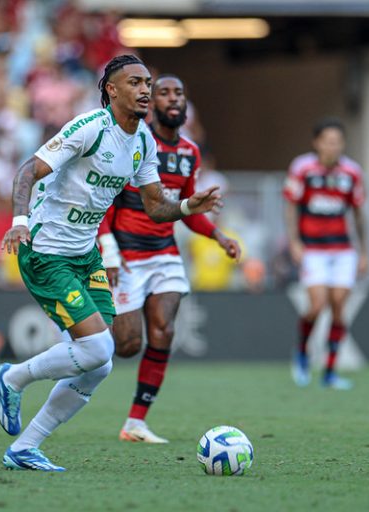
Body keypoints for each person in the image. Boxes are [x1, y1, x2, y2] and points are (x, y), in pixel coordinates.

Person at [0, 55, 222, 472]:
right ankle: (13, 378)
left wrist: (190, 204)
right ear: (112, 90)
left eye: (147, 83)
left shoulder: (143, 143)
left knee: (101, 362)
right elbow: (29, 170)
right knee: (98, 347)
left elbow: (155, 206)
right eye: (134, 82)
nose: (144, 90)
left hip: (85, 255)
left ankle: (25, 447)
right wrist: (19, 221)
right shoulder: (89, 129)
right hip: (46, 250)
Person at [97, 75, 241, 444]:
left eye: (179, 93)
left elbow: (186, 209)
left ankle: (135, 423)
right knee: (127, 345)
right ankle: (75, 339)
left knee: (163, 331)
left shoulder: (190, 153)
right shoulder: (134, 143)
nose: (173, 99)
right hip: (126, 256)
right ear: (151, 101)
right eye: (164, 92)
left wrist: (218, 235)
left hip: (164, 255)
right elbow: (105, 203)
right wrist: (109, 251)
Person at [284, 118, 367, 390]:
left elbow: (357, 213)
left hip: (343, 248)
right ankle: (302, 353)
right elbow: (291, 206)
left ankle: (330, 371)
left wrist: (363, 251)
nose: (333, 146)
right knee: (317, 305)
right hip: (313, 248)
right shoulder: (303, 168)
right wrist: (294, 241)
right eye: (328, 141)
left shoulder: (351, 172)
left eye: (338, 142)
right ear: (317, 142)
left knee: (339, 307)